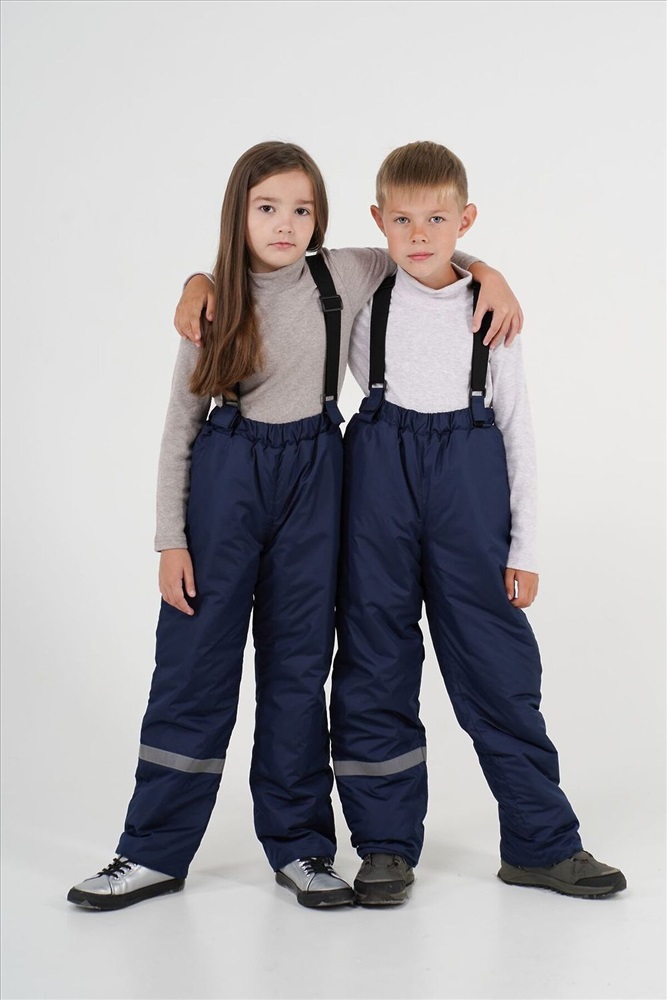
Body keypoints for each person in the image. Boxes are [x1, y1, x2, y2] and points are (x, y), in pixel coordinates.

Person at [67, 140, 522, 911]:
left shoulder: (342, 272)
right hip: (227, 474)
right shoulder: (213, 303)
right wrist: (170, 539)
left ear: (322, 219)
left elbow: (423, 247)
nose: (285, 224)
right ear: (238, 215)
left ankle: (302, 846)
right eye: (267, 208)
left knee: (298, 670)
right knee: (193, 669)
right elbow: (179, 427)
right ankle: (149, 852)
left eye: (302, 210)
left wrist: (491, 273)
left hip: (316, 473)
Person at [330, 140, 626, 904]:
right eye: (402, 220)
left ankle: (540, 844)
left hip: (469, 493)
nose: (418, 233)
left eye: (436, 219)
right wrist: (200, 280)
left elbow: (518, 430)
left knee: (498, 670)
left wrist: (525, 547)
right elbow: (277, 263)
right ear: (378, 221)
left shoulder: (491, 311)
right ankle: (383, 846)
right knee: (373, 663)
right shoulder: (362, 290)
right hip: (379, 492)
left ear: (465, 220)